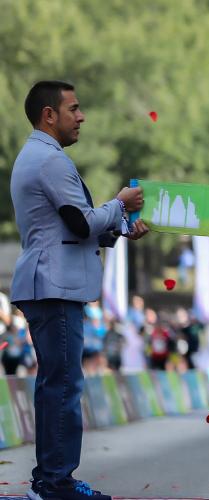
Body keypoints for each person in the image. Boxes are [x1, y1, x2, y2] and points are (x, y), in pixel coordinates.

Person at [12, 80, 149, 500]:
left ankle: (49, 479)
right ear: (48, 115)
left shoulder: (38, 156)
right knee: (64, 386)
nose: (82, 116)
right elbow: (81, 222)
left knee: (57, 383)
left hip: (49, 284)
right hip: (54, 287)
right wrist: (120, 205)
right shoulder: (49, 161)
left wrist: (119, 229)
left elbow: (71, 227)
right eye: (73, 108)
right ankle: (55, 482)